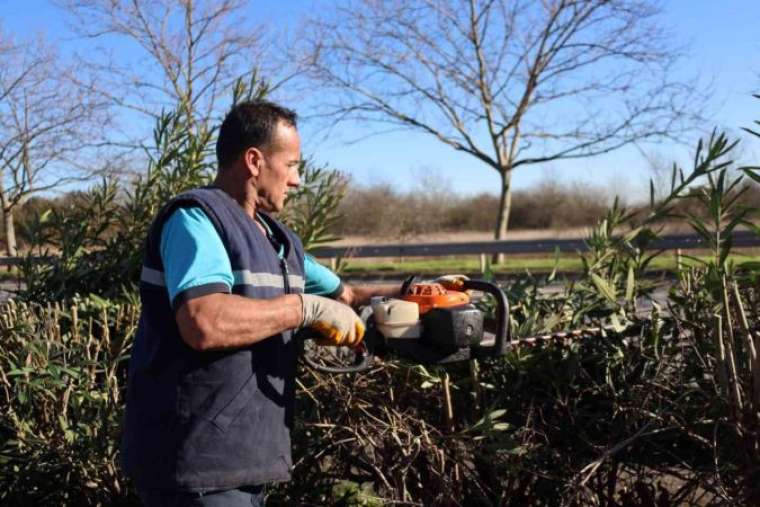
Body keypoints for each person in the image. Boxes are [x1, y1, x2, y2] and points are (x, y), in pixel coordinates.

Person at [120, 100, 402, 506]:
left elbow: (349, 297)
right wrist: (304, 309)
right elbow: (204, 321)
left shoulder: (279, 241)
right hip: (196, 465)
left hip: (247, 459)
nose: (297, 181)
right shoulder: (197, 220)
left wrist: (423, 293)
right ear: (254, 161)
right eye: (291, 165)